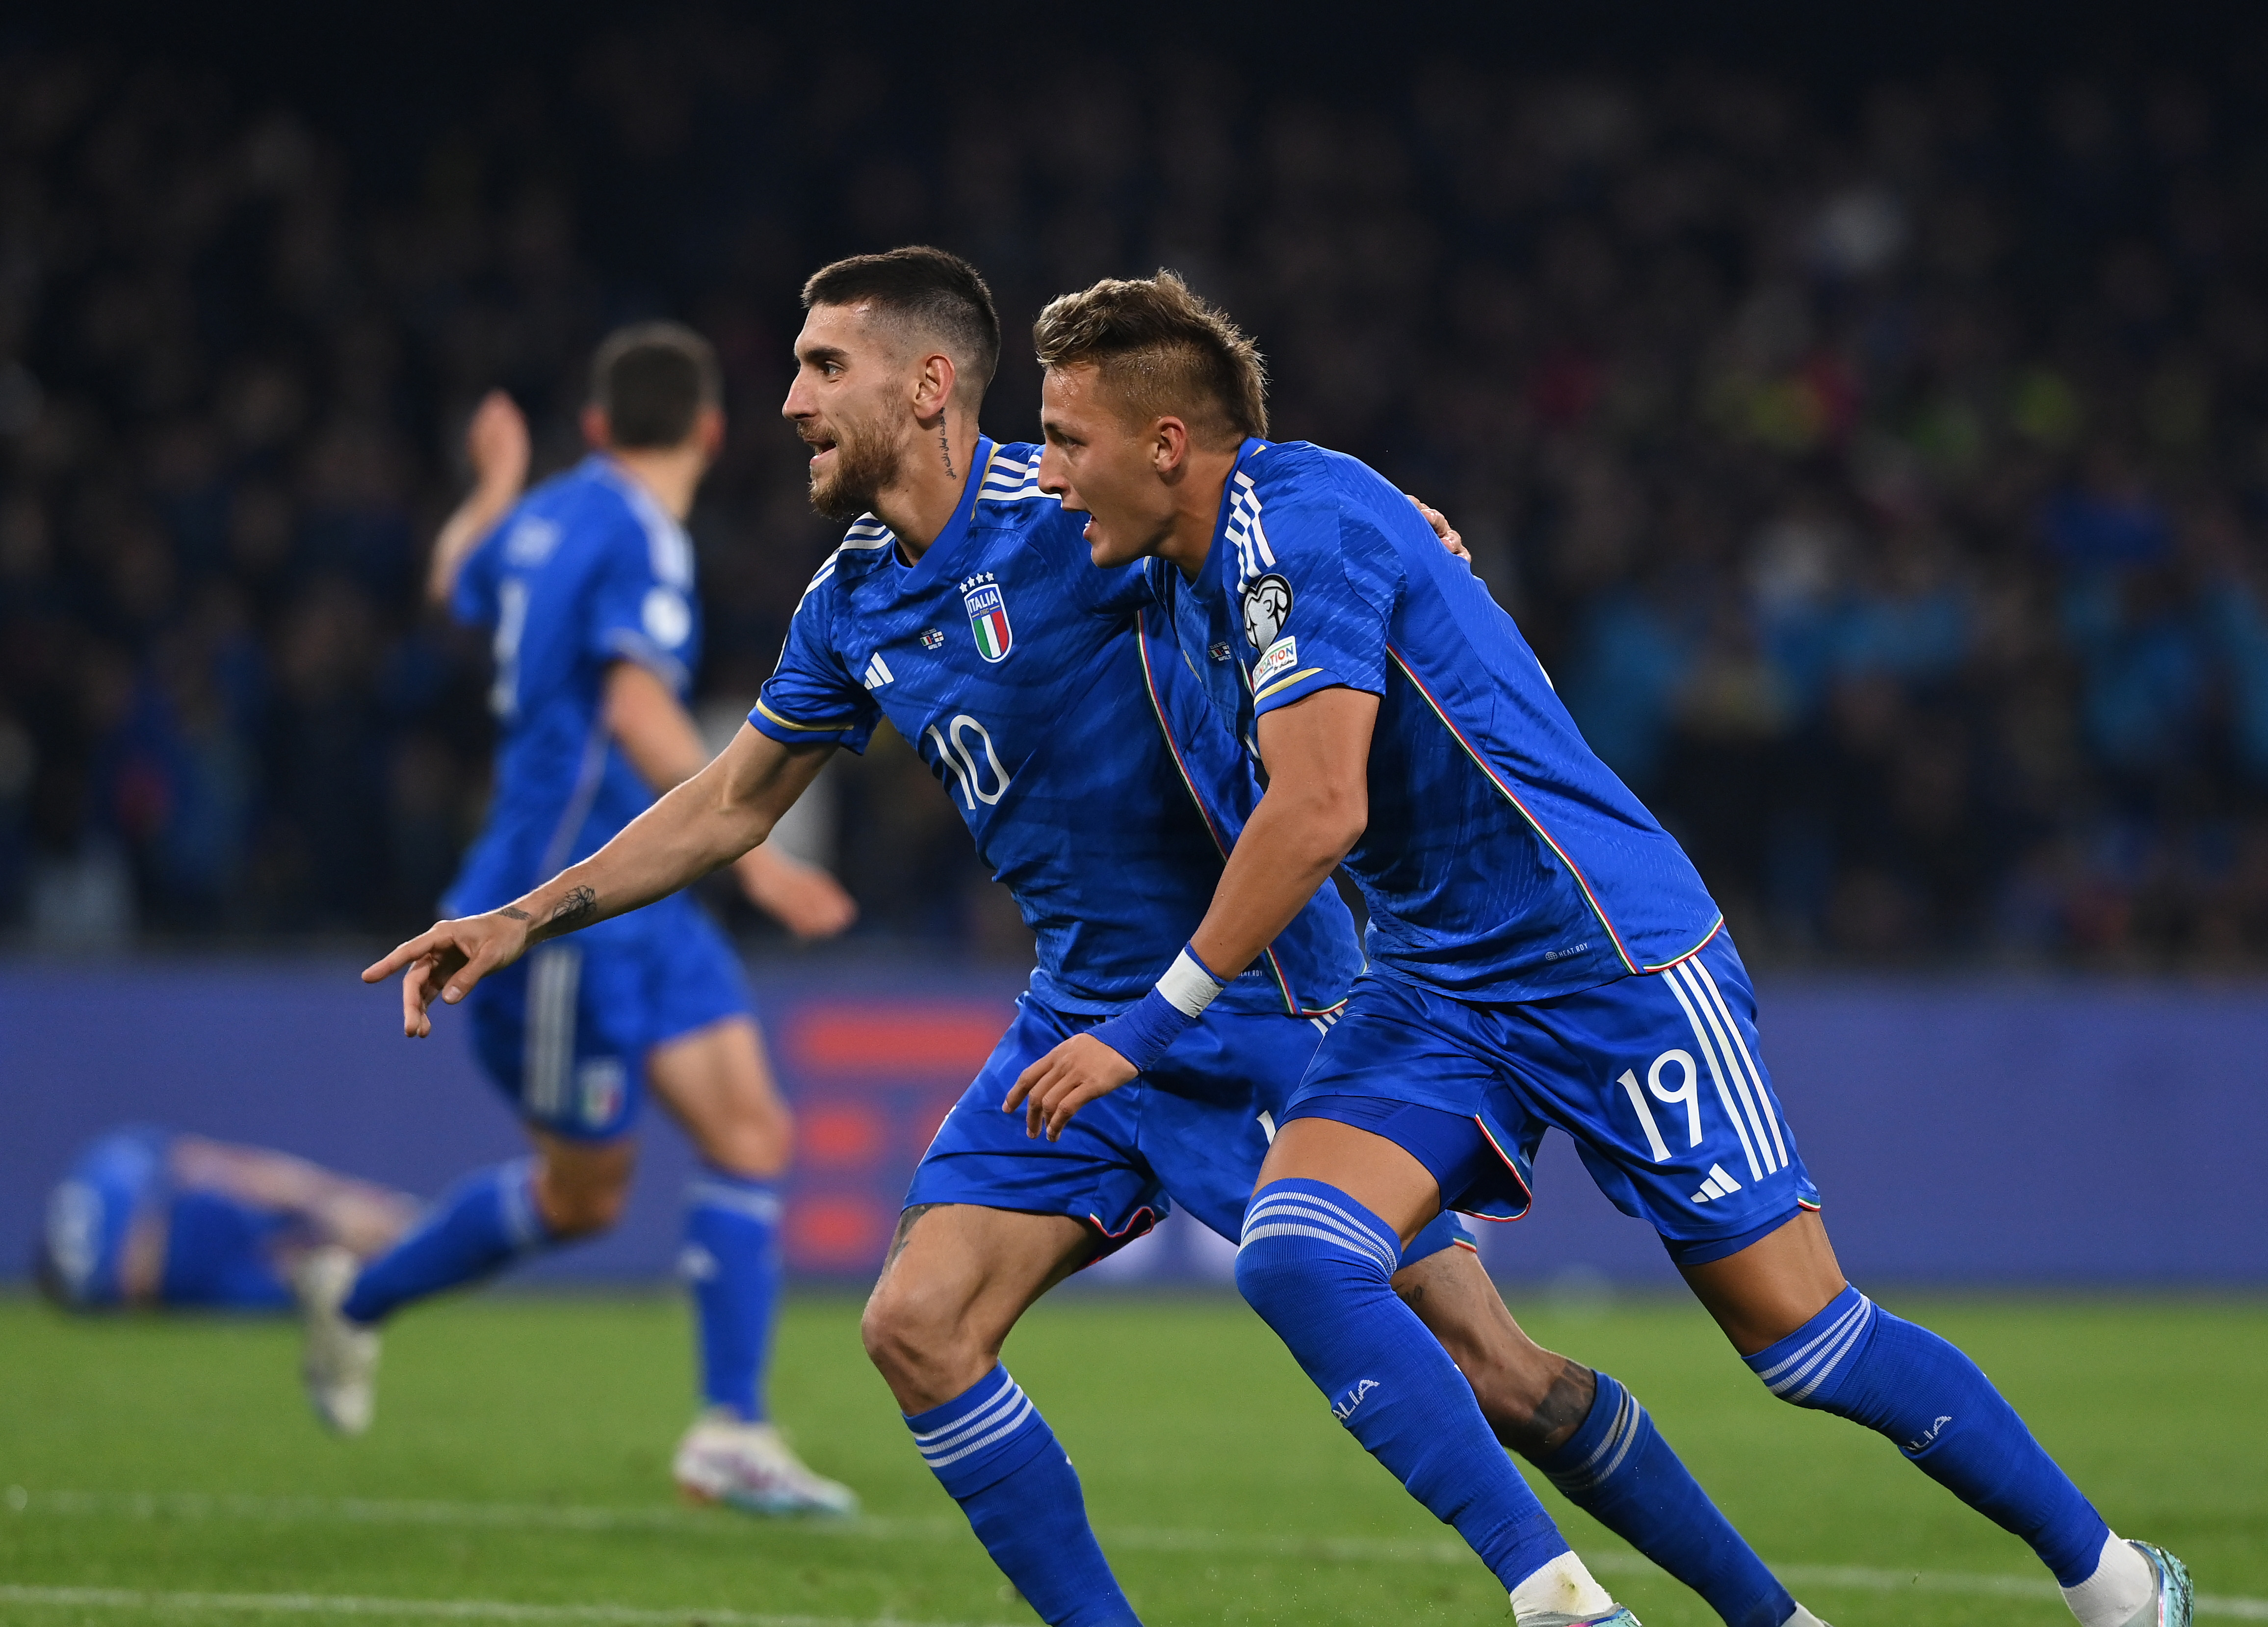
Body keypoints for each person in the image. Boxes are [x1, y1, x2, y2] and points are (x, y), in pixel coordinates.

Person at [364, 247, 1833, 1627]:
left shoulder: (1078, 520)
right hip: (1077, 1017)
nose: (794, 402)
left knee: (1499, 1370)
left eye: (824, 367)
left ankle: (1730, 1611)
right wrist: (518, 915)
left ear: (929, 385)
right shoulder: (852, 600)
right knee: (919, 1324)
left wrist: (1409, 541)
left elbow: (1270, 514)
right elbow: (734, 798)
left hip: (1267, 1000)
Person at [1007, 269, 2196, 1627]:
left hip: (1606, 954)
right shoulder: (1209, 544)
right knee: (1295, 1249)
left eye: (1065, 440)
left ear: (1167, 444)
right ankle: (1568, 1598)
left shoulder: (1299, 530)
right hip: (1440, 983)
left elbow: (1319, 808)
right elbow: (987, 493)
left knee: (1804, 1342)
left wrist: (1145, 1024)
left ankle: (2114, 1584)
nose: (1047, 474)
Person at [312, 324, 862, 1518]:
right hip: (556, 905)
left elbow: (452, 572)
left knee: (754, 1131)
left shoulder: (551, 515)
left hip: (637, 894)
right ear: (714, 431)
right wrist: (752, 844)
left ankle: (732, 1429)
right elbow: (631, 699)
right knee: (586, 1198)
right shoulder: (637, 536)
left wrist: (496, 486)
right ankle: (357, 1291)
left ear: (601, 427)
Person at [35, 1126, 417, 1314]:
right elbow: (199, 1159)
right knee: (317, 1271)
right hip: (188, 1254)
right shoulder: (101, 1175)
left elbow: (195, 1159)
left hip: (186, 1252)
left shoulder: (106, 1170)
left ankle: (398, 1234)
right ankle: (402, 1239)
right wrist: (320, 1196)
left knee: (317, 1262)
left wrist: (319, 1196)